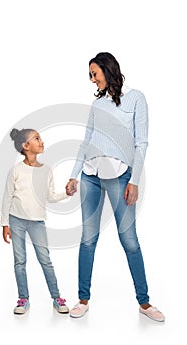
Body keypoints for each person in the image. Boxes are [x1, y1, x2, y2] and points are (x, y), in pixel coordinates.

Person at [65, 52, 165, 322]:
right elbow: (86, 141)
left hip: (121, 177)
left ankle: (144, 303)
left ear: (108, 71)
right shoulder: (96, 106)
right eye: (90, 75)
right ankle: (83, 299)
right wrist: (74, 175)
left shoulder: (136, 98)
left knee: (129, 240)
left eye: (94, 74)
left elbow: (141, 142)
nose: (92, 80)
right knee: (88, 239)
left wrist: (134, 181)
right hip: (90, 176)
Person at [1, 128, 69, 315]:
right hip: (16, 220)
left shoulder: (46, 170)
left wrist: (66, 193)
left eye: (40, 138)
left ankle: (57, 297)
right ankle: (23, 299)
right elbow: (7, 197)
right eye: (36, 138)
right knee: (20, 261)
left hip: (37, 222)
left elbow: (50, 196)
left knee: (45, 260)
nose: (41, 141)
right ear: (25, 146)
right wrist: (4, 224)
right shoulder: (15, 170)